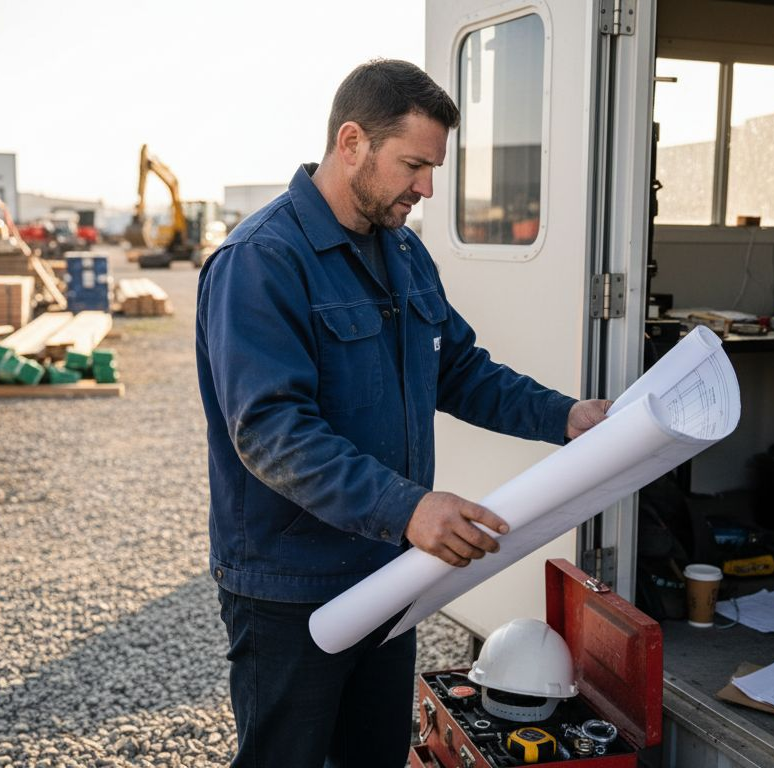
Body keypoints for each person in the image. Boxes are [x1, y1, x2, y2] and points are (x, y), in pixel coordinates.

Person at [195, 59, 611, 768]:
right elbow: (270, 431)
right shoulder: (261, 260)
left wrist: (566, 417)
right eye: (414, 165)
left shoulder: (403, 251)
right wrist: (409, 508)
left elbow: (457, 369)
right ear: (351, 142)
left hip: (390, 573)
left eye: (432, 168)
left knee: (374, 756)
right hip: (294, 587)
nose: (425, 187)